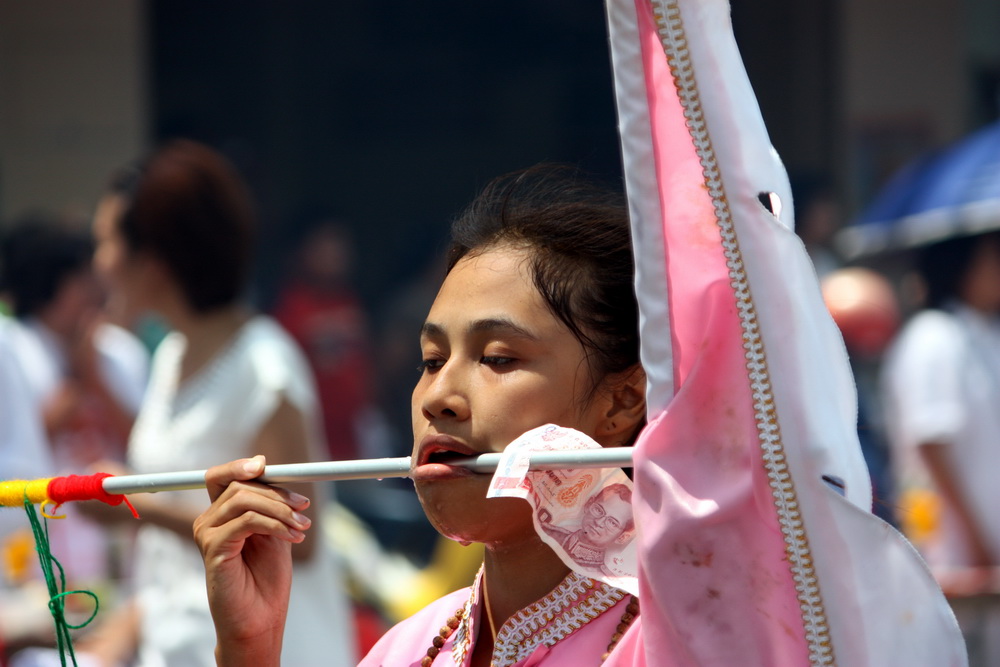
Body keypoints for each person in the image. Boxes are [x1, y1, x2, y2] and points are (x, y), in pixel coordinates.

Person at [195, 166, 647, 665]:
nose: (438, 396)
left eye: (497, 357)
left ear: (622, 402)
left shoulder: (680, 637)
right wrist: (249, 649)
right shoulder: (404, 650)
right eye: (431, 361)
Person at [77, 139, 356, 667]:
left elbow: (302, 535)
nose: (99, 264)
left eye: (107, 243)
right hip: (180, 645)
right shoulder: (173, 354)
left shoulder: (264, 368)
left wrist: (137, 507)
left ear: (155, 260)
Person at [0, 217, 148, 584]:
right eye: (82, 278)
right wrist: (67, 397)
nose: (98, 290)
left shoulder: (121, 353)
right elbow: (15, 461)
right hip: (31, 557)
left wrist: (95, 379)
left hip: (118, 549)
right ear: (50, 285)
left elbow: (147, 451)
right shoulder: (11, 349)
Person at [538, 484, 634, 576]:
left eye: (612, 523)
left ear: (622, 537)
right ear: (588, 504)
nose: (599, 522)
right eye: (599, 510)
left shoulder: (600, 577)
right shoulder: (545, 531)